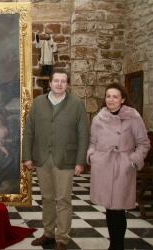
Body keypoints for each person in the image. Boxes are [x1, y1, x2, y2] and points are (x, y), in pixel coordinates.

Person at [22, 70, 89, 250]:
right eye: (56, 81)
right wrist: (27, 156)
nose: (59, 84)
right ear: (49, 83)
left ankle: (62, 238)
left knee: (63, 199)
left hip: (66, 159)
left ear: (67, 84)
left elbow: (84, 135)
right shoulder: (37, 103)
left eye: (63, 81)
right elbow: (29, 131)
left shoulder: (76, 105)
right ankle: (48, 233)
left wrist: (80, 161)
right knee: (47, 198)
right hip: (42, 159)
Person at [87, 83, 150, 250]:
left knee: (118, 210)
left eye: (115, 96)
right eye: (108, 96)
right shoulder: (98, 118)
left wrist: (133, 160)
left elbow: (143, 143)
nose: (111, 100)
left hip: (123, 168)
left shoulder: (133, 117)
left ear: (122, 99)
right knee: (110, 209)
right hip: (103, 167)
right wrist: (92, 156)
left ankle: (117, 246)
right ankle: (113, 245)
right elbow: (92, 142)